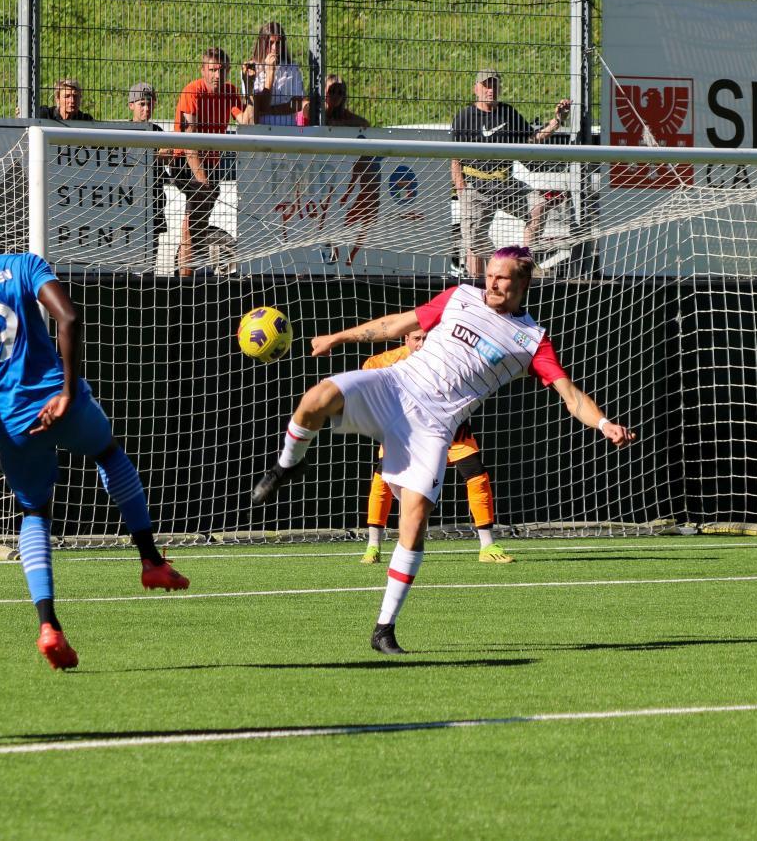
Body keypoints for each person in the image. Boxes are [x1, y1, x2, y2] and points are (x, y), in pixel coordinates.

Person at [250, 246, 634, 654]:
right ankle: (286, 466)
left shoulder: (532, 341)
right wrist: (338, 337)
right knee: (318, 397)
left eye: (503, 277)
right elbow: (399, 323)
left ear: (523, 282)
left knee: (414, 521)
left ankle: (384, 629)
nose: (492, 281)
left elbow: (570, 396)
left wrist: (605, 423)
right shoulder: (460, 296)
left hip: (434, 428)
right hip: (395, 387)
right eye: (490, 274)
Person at [0, 198, 189, 671]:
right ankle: (151, 561)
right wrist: (66, 389)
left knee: (35, 512)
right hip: (63, 403)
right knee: (109, 454)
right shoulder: (21, 265)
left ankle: (49, 624)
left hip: (14, 425)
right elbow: (69, 317)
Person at [359, 329, 510, 565]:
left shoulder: (449, 357)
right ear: (406, 339)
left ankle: (487, 545)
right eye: (416, 338)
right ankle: (373, 547)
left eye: (426, 338)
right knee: (381, 481)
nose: (422, 343)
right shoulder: (388, 361)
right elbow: (368, 372)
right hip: (406, 434)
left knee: (477, 476)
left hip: (449, 429)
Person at [451, 69, 570, 275]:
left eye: (495, 85)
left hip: (506, 183)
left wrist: (556, 121)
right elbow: (454, 158)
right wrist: (461, 188)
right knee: (474, 242)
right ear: (475, 89)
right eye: (486, 85)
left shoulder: (508, 113)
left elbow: (531, 139)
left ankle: (525, 262)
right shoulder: (463, 117)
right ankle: (486, 276)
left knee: (538, 206)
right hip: (475, 187)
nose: (491, 90)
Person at [173, 47, 244, 276]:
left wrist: (249, 86)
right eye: (212, 70)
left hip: (211, 164)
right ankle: (185, 282)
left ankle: (191, 271)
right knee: (191, 226)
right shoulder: (192, 91)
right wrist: (203, 183)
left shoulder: (231, 92)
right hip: (184, 161)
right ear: (203, 70)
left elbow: (246, 121)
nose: (217, 75)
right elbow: (189, 141)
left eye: (222, 70)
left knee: (198, 226)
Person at [128, 82, 171, 271]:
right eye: (141, 104)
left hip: (154, 203)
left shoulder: (158, 132)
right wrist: (153, 156)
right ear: (131, 106)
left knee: (151, 258)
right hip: (129, 204)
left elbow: (167, 157)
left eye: (150, 103)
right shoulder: (122, 133)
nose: (146, 108)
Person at [240, 22, 304, 126]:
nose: (275, 48)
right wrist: (270, 72)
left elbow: (297, 104)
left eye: (278, 43)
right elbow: (256, 105)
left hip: (287, 128)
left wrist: (270, 110)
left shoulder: (292, 68)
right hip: (262, 129)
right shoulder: (251, 69)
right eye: (270, 43)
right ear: (262, 43)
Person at [300, 74, 370, 128]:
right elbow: (306, 110)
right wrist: (328, 122)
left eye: (340, 92)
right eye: (331, 91)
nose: (335, 96)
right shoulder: (309, 103)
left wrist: (339, 123)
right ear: (323, 91)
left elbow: (365, 123)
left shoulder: (341, 112)